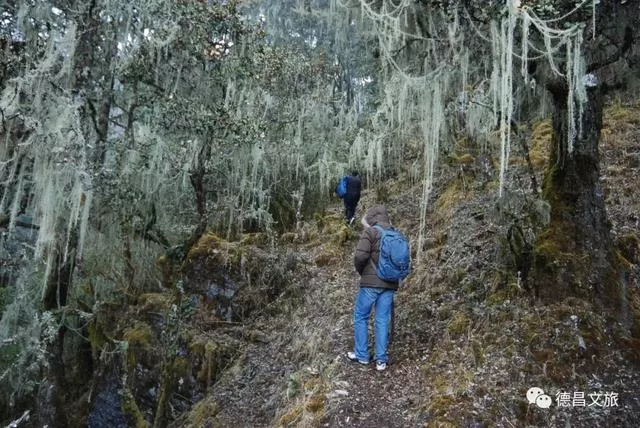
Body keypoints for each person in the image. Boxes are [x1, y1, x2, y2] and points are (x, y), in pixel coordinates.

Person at [347, 205, 398, 371]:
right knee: (382, 320)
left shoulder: (371, 232)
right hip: (390, 284)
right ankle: (381, 360)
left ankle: (362, 355)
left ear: (372, 218)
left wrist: (363, 272)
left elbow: (360, 256)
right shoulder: (395, 233)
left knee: (361, 315)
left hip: (370, 283)